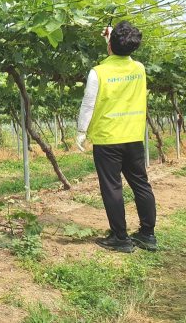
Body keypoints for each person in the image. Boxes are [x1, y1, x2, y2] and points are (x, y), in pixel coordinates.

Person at [77, 21, 156, 253]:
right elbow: (123, 57)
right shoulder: (139, 69)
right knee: (141, 184)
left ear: (109, 46)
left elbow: (88, 105)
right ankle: (147, 235)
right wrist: (114, 42)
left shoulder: (98, 72)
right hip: (133, 137)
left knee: (112, 187)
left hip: (107, 138)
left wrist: (82, 131)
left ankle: (120, 238)